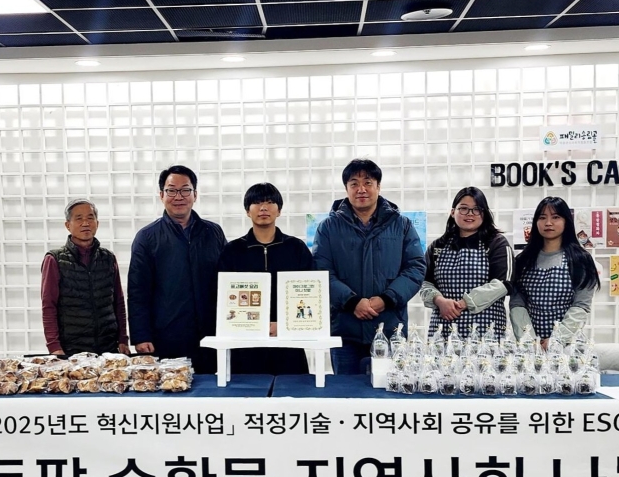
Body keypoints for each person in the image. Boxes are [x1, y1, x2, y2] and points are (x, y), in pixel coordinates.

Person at [313, 159, 426, 375]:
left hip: (391, 328)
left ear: (378, 186)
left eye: (368, 182)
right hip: (345, 330)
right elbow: (321, 272)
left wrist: (386, 299)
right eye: (354, 183)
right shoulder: (328, 227)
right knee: (346, 390)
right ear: (346, 189)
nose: (361, 189)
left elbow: (415, 268)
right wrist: (352, 302)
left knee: (389, 388)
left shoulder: (401, 225)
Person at [127, 165, 227, 373]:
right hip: (166, 335)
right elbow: (138, 291)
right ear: (161, 195)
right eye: (172, 190)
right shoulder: (147, 237)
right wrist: (141, 335)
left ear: (195, 194)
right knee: (173, 388)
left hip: (210, 334)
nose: (179, 196)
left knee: (212, 388)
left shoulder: (213, 232)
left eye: (185, 190)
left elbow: (227, 280)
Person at [216, 182, 314, 375]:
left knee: (293, 390)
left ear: (279, 210)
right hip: (245, 343)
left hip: (288, 342)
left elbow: (309, 294)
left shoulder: (296, 248)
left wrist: (284, 325)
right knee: (247, 391)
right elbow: (222, 296)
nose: (263, 208)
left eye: (270, 202)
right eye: (257, 202)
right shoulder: (233, 251)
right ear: (247, 211)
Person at [418, 187, 513, 339]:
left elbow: (503, 284)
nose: (470, 214)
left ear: (484, 213)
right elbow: (424, 282)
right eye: (463, 209)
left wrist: (463, 303)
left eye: (476, 209)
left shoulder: (497, 243)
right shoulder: (438, 246)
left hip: (486, 329)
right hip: (443, 328)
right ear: (452, 212)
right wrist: (439, 300)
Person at [40, 199, 128, 356]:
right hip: (71, 349)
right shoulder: (54, 259)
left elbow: (118, 302)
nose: (85, 223)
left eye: (90, 218)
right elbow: (49, 305)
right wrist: (54, 347)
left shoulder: (108, 258)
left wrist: (123, 339)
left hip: (108, 348)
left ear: (97, 223)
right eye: (79, 218)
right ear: (68, 225)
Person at [509, 196, 600, 346]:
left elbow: (581, 305)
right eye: (542, 217)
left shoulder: (580, 259)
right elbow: (517, 304)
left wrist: (556, 341)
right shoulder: (523, 260)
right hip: (530, 346)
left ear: (566, 221)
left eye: (555, 217)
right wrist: (529, 340)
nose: (548, 223)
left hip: (568, 345)